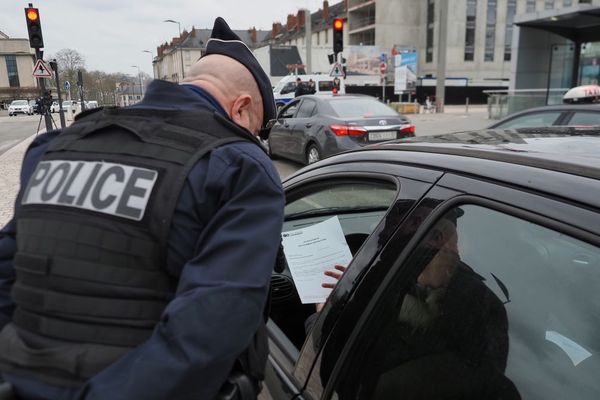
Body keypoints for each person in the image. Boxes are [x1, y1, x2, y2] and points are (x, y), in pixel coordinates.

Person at [0, 17, 284, 400]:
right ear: (241, 108)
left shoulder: (54, 147)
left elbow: (8, 269)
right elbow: (209, 330)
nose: (253, 139)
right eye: (256, 127)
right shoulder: (238, 167)